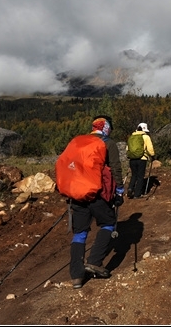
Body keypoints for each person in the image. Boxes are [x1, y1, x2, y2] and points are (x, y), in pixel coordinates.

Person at [64, 115, 125, 289]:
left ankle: (76, 276)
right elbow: (115, 167)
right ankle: (95, 261)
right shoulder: (108, 143)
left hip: (77, 194)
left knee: (80, 232)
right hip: (98, 193)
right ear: (106, 127)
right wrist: (119, 190)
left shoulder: (79, 142)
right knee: (108, 223)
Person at [127, 123, 155, 199]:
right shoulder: (146, 137)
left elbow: (127, 148)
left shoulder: (132, 137)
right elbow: (150, 148)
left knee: (134, 175)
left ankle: (130, 188)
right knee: (140, 177)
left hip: (132, 159)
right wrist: (152, 155)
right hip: (142, 159)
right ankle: (137, 194)